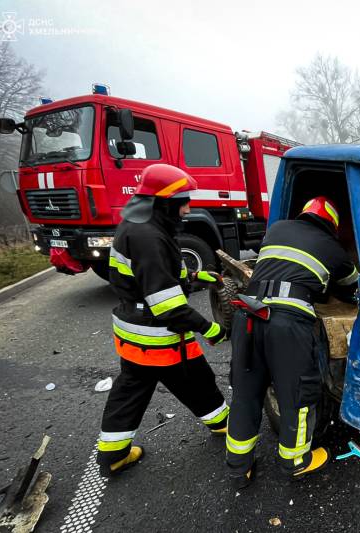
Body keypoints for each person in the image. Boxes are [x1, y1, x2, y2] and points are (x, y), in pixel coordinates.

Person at [96, 163, 230, 478]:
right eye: (182, 201)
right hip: (158, 336)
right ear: (163, 201)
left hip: (132, 332)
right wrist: (211, 328)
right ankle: (223, 424)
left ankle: (113, 454)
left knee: (130, 390)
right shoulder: (148, 236)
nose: (187, 208)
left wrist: (197, 276)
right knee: (196, 379)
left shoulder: (137, 224)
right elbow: (169, 307)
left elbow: (156, 276)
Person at [226, 196, 358, 488]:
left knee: (246, 391)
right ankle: (296, 461)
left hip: (248, 313)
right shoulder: (333, 249)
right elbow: (351, 288)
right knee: (297, 394)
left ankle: (239, 467)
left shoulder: (278, 229)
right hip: (286, 324)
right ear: (331, 225)